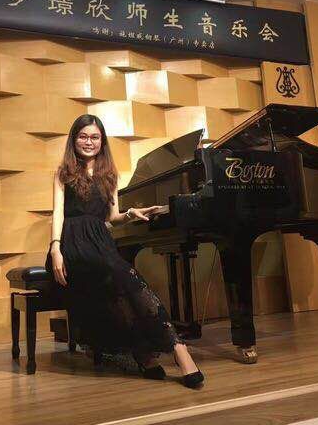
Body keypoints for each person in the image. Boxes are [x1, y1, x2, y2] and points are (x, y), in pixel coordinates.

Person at [45, 113, 204, 389]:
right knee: (121, 276)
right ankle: (176, 348)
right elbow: (57, 213)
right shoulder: (63, 173)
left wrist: (131, 213)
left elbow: (112, 217)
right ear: (74, 139)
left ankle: (148, 353)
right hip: (72, 242)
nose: (89, 142)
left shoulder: (109, 175)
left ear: (102, 141)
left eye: (95, 137)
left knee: (120, 285)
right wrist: (55, 249)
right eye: (83, 136)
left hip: (100, 242)